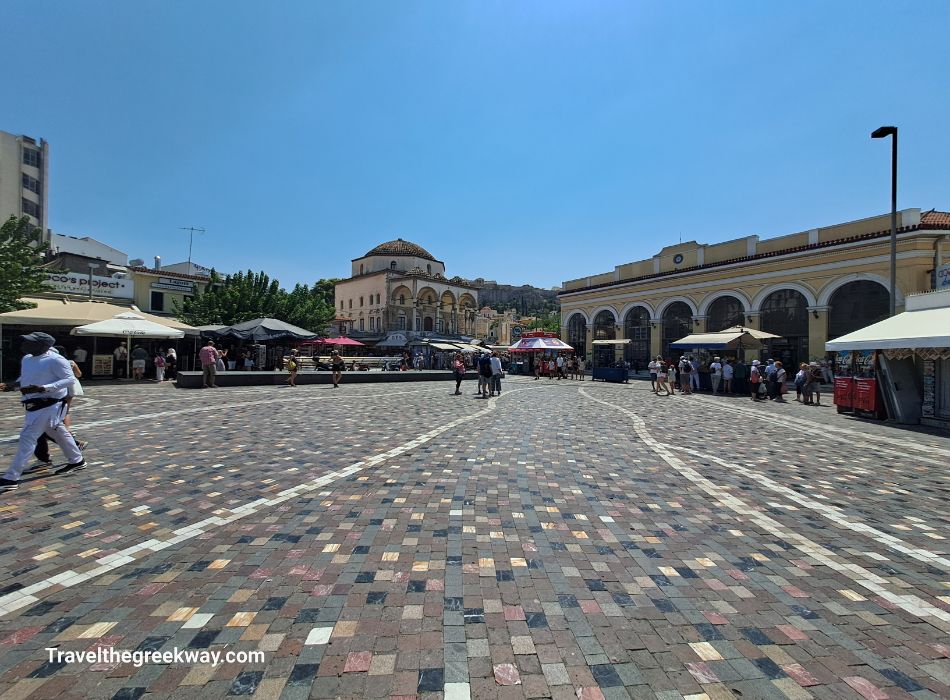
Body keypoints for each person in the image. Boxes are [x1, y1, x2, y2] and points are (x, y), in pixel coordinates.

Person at [0, 333, 86, 492]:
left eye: (28, 343)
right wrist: (11, 385)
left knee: (28, 437)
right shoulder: (27, 359)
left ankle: (11, 477)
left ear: (43, 345)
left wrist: (44, 388)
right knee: (58, 432)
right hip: (34, 403)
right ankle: (77, 460)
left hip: (49, 403)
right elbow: (25, 378)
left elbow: (70, 380)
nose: (23, 345)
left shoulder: (56, 359)